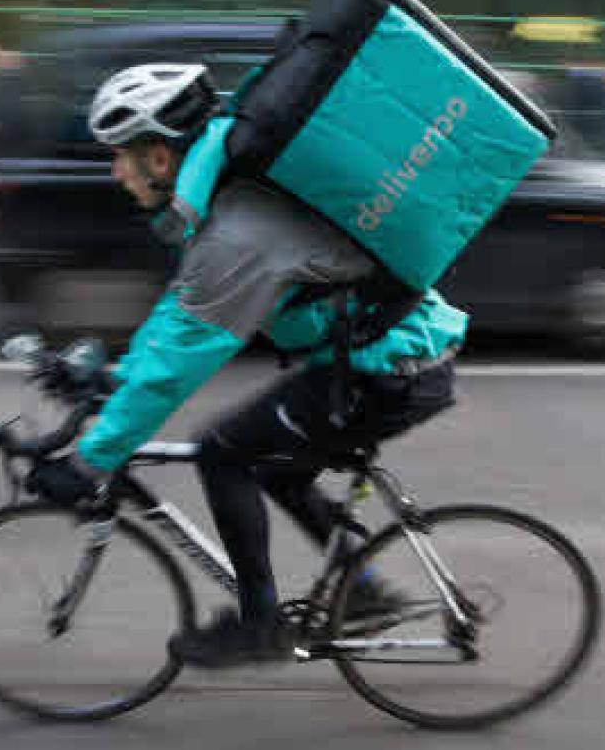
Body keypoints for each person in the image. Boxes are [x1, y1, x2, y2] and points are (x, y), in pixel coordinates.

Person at [29, 63, 468, 668]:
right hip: (386, 359)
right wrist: (114, 379)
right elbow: (183, 312)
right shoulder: (228, 202)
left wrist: (89, 462)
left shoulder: (239, 231)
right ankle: (362, 590)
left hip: (391, 370)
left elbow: (180, 361)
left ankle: (260, 625)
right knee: (273, 465)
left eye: (120, 157)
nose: (115, 173)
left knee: (224, 451)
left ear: (159, 157)